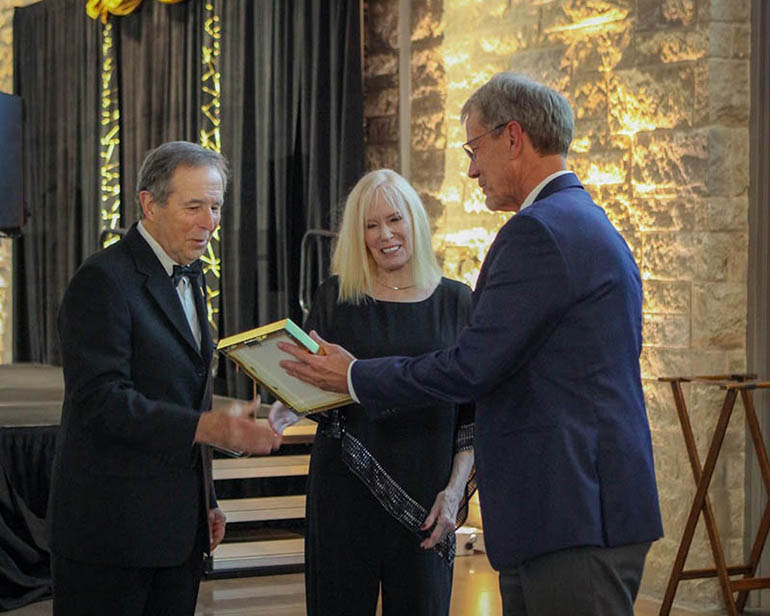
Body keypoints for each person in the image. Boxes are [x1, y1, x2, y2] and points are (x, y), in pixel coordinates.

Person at [279, 73, 663, 616]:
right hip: (575, 507)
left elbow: (471, 367)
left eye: (474, 148)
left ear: (513, 137)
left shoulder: (539, 231)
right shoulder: (583, 221)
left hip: (571, 511)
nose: (472, 169)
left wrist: (352, 375)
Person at [49, 141, 282, 616]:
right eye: (193, 206)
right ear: (149, 203)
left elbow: (186, 396)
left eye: (215, 206)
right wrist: (207, 427)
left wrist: (206, 503)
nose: (209, 221)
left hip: (176, 532)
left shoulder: (192, 277)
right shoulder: (103, 280)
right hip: (110, 534)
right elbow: (101, 401)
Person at [269, 169, 475, 616]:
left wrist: (456, 492)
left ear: (415, 222)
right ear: (356, 234)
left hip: (428, 502)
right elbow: (308, 382)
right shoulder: (334, 299)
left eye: (394, 220)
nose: (385, 235)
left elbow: (472, 415)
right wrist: (287, 406)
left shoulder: (458, 303)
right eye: (370, 224)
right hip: (342, 497)